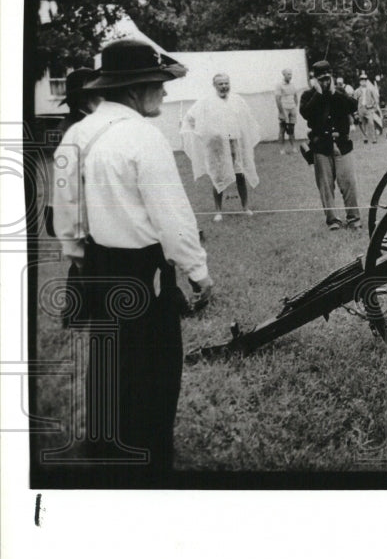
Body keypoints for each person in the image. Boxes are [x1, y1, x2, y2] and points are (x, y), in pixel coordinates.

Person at [52, 38, 213, 475]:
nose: (163, 92)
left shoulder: (75, 134)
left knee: (108, 359)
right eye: (156, 84)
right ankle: (150, 455)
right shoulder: (144, 137)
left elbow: (64, 209)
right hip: (142, 270)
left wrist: (76, 253)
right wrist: (198, 272)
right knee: (156, 367)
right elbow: (172, 215)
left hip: (96, 264)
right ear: (134, 89)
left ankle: (106, 446)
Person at [44, 68, 102, 328]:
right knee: (84, 256)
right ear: (83, 97)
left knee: (86, 257)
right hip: (67, 204)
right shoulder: (75, 128)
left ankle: (76, 313)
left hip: (64, 203)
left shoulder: (75, 124)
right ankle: (76, 313)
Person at [180, 72, 260, 222]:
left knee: (240, 174)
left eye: (226, 83)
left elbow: (248, 118)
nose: (224, 87)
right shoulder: (206, 101)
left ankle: (245, 207)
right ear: (214, 85)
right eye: (220, 84)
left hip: (235, 144)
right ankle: (218, 211)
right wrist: (202, 134)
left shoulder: (237, 100)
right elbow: (190, 118)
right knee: (218, 176)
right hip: (217, 146)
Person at [300, 60, 362, 230]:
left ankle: (354, 218)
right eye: (321, 79)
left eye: (327, 78)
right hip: (321, 147)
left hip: (342, 144)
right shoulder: (308, 96)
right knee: (325, 186)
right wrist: (318, 94)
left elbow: (353, 106)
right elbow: (305, 113)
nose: (325, 82)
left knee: (348, 182)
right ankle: (332, 220)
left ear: (332, 77)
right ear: (315, 80)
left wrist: (335, 93)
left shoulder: (340, 93)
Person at [274, 68, 300, 154]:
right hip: (284, 109)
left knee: (292, 128)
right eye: (288, 74)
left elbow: (295, 96)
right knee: (283, 129)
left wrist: (294, 105)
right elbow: (277, 99)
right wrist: (281, 112)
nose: (290, 76)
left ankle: (293, 147)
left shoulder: (292, 85)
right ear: (284, 75)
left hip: (292, 108)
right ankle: (282, 149)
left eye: (291, 74)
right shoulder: (279, 85)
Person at [354, 71, 382, 143]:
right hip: (360, 109)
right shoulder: (357, 91)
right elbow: (354, 102)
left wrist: (373, 107)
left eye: (364, 80)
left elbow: (376, 100)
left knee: (371, 124)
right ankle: (365, 138)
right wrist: (355, 112)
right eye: (361, 80)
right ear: (360, 81)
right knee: (363, 124)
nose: (363, 82)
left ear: (366, 81)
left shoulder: (371, 89)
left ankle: (374, 138)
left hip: (369, 109)